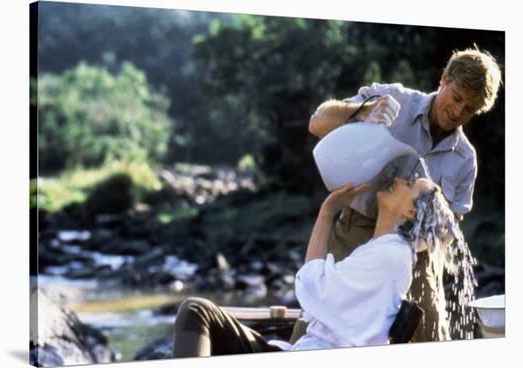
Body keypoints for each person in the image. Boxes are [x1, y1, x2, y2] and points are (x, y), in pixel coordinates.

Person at [299, 46, 502, 342]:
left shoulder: (465, 159)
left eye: (469, 109)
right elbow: (317, 123)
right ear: (444, 79)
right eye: (456, 98)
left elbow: (448, 230)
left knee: (433, 336)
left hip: (414, 253)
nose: (458, 112)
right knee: (315, 321)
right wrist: (363, 112)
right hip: (356, 229)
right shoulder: (395, 100)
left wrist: (410, 247)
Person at [172, 177, 457, 357]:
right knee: (200, 314)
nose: (399, 179)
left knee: (197, 312)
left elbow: (313, 287)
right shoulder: (381, 251)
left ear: (411, 212)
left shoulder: (391, 257)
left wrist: (327, 213)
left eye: (410, 184)